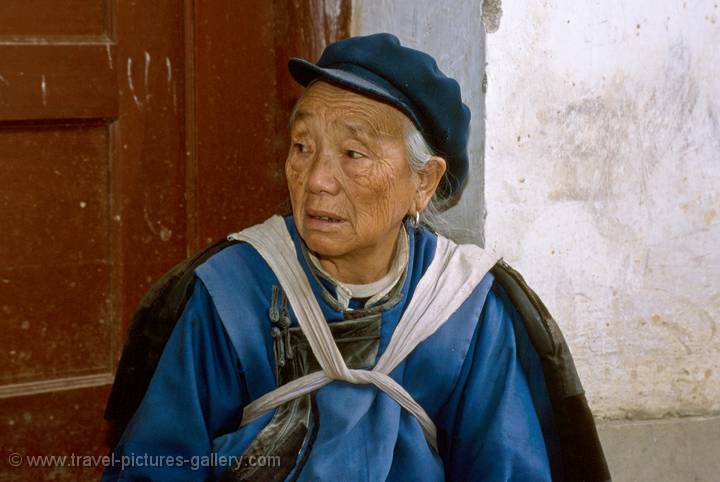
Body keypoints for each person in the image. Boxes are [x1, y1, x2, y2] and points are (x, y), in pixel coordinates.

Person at [102, 33, 610, 481]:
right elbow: (157, 465)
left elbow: (504, 467)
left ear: (424, 182)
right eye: (302, 146)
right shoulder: (232, 293)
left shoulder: (465, 308)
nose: (317, 180)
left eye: (353, 155)